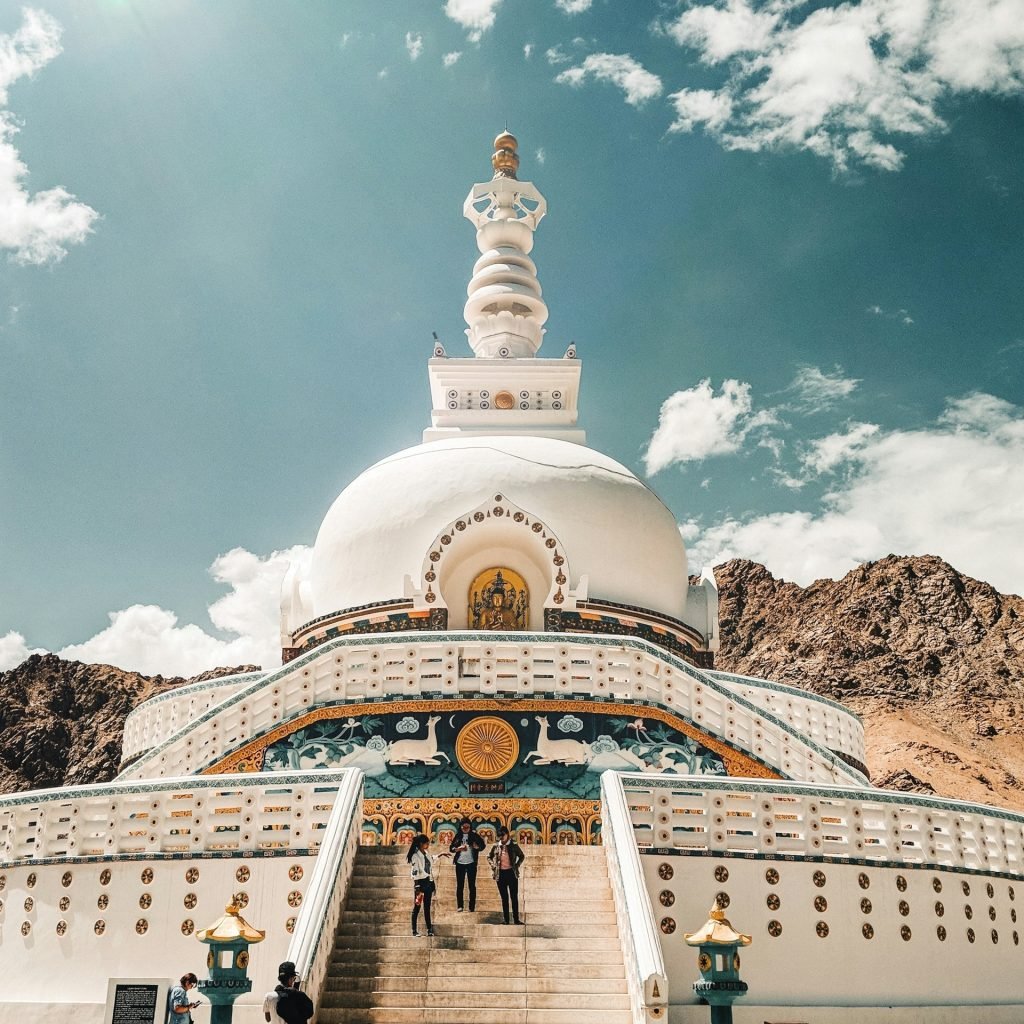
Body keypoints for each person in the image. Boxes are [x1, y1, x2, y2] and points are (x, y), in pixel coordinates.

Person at [407, 833, 450, 936]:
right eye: (427, 843)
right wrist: (417, 887)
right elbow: (415, 871)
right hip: (420, 884)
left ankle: (429, 929)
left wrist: (441, 854)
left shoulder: (426, 853)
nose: (428, 845)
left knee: (427, 907)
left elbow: (431, 859)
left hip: (428, 883)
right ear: (422, 844)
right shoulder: (415, 856)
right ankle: (414, 930)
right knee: (417, 907)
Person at [488, 827, 525, 925]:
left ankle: (516, 919)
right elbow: (489, 857)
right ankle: (506, 920)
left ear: (507, 834)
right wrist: (493, 866)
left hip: (511, 873)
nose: (501, 839)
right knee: (504, 898)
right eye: (500, 837)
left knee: (514, 897)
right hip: (500, 874)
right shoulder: (496, 846)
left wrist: (517, 865)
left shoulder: (513, 845)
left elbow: (522, 856)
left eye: (503, 836)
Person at [449, 816, 485, 912]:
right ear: (460, 827)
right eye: (463, 827)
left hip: (471, 863)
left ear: (470, 827)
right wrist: (459, 848)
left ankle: (471, 907)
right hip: (460, 863)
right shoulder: (458, 836)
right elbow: (451, 848)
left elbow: (483, 846)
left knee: (471, 885)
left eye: (467, 827)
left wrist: (476, 847)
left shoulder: (474, 835)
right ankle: (460, 905)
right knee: (460, 885)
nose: (465, 829)